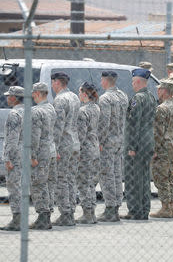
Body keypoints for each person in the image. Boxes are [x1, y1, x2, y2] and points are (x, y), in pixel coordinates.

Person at [121, 69, 156, 220]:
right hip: (148, 141)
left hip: (137, 142)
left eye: (133, 82)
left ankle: (135, 209)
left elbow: (134, 124)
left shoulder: (137, 99)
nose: (132, 85)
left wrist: (131, 147)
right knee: (144, 177)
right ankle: (144, 209)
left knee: (133, 177)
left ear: (138, 82)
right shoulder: (151, 98)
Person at [97, 71, 129, 222]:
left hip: (108, 142)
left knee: (107, 175)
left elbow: (104, 123)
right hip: (119, 140)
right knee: (117, 175)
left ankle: (110, 208)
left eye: (102, 80)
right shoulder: (123, 96)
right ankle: (116, 206)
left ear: (105, 80)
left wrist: (100, 141)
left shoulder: (105, 98)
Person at [51, 72, 80, 226]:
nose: (51, 86)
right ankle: (71, 211)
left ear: (57, 82)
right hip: (75, 142)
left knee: (61, 179)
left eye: (52, 82)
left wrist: (54, 147)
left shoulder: (60, 100)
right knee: (71, 178)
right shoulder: (74, 97)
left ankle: (65, 213)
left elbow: (58, 127)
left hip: (64, 143)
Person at [150, 79, 173, 218]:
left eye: (160, 89)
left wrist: (155, 149)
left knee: (160, 176)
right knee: (170, 176)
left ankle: (165, 207)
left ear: (165, 91)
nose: (158, 91)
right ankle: (172, 205)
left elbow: (158, 131)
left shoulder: (162, 108)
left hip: (163, 145)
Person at [29, 82, 57, 230]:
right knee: (49, 184)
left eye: (34, 93)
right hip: (51, 150)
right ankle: (48, 213)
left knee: (38, 184)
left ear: (39, 94)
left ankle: (43, 216)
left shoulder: (36, 111)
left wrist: (32, 155)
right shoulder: (51, 108)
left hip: (40, 153)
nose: (32, 95)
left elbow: (35, 136)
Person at [0, 86, 24, 231]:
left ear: (14, 98)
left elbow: (12, 138)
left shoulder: (14, 114)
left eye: (9, 96)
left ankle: (17, 219)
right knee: (21, 186)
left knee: (14, 187)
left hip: (15, 154)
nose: (7, 98)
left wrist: (7, 158)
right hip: (26, 152)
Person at [76, 82, 100, 224]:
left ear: (85, 94)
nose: (79, 95)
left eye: (80, 92)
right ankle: (92, 212)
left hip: (85, 150)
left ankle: (87, 213)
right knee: (91, 182)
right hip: (95, 148)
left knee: (84, 182)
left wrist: (77, 151)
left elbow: (81, 134)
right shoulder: (96, 108)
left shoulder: (82, 111)